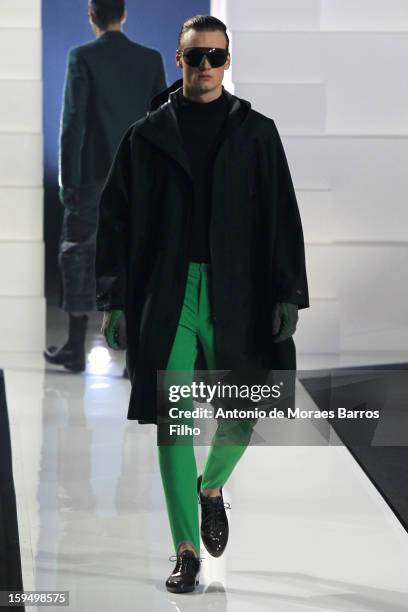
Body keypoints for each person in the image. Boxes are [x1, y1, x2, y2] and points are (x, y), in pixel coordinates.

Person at [95, 14, 309, 594]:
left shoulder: (257, 131)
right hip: (169, 292)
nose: (206, 67)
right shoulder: (146, 135)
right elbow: (112, 221)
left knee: (245, 405)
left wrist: (289, 291)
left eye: (216, 56)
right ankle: (185, 549)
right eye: (196, 57)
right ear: (179, 59)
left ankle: (211, 487)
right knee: (176, 419)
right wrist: (113, 301)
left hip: (238, 287)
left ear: (228, 60)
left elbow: (283, 215)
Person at [44, 0, 167, 372]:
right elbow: (162, 123)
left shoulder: (81, 56)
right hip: (137, 179)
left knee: (79, 257)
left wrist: (69, 181)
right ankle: (134, 358)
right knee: (135, 258)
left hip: (92, 176)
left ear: (92, 16)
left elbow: (73, 123)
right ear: (124, 15)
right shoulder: (150, 59)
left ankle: (77, 348)